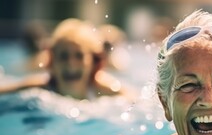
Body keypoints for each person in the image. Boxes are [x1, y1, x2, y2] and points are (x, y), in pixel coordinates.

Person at [0, 18, 132, 100]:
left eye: (79, 56)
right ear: (52, 62)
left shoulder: (108, 90)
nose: (71, 64)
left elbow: (136, 101)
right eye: (63, 56)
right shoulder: (41, 87)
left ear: (93, 63)